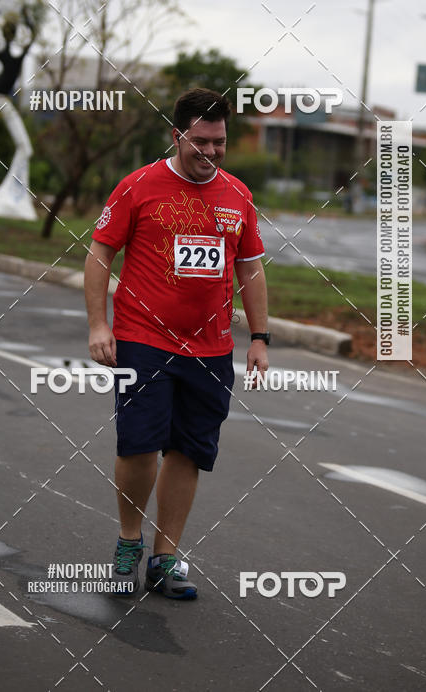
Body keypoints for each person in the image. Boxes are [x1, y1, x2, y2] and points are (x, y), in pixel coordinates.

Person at [84, 87, 269, 601]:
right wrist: (100, 326)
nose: (210, 153)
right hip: (143, 338)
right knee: (139, 443)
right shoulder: (139, 186)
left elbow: (249, 268)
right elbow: (99, 254)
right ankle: (128, 542)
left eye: (220, 143)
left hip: (210, 348)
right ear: (177, 134)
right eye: (201, 142)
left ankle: (166, 558)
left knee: (190, 450)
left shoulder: (238, 195)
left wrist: (258, 337)